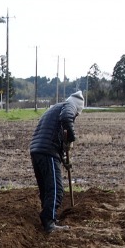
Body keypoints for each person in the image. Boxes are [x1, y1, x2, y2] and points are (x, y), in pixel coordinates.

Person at [29, 91, 84, 232]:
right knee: (56, 189)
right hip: (47, 152)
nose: (75, 116)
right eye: (77, 114)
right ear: (77, 107)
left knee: (47, 188)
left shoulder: (55, 108)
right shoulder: (70, 105)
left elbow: (53, 134)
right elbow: (66, 119)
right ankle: (49, 222)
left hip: (37, 150)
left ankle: (48, 216)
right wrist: (71, 139)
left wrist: (64, 160)